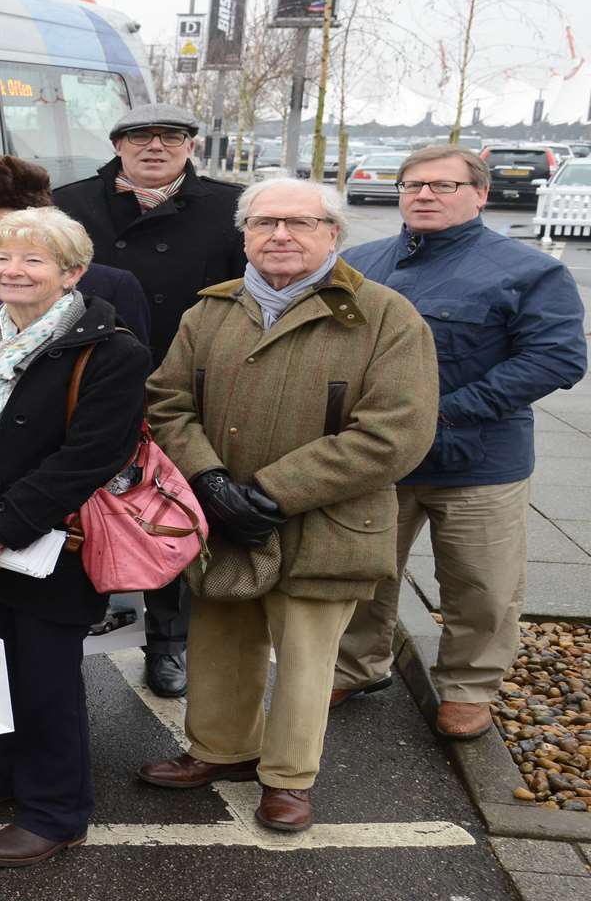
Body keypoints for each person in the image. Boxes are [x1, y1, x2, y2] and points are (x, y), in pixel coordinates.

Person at [140, 178, 438, 833]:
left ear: (334, 234)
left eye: (301, 223)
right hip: (222, 514)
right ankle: (221, 751)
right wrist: (211, 481)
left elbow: (396, 433)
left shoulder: (386, 317)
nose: (281, 236)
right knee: (220, 637)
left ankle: (289, 779)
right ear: (243, 235)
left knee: (305, 657)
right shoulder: (209, 313)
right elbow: (167, 403)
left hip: (326, 520)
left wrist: (276, 490)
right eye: (265, 222)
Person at [0, 206, 150, 867]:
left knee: (45, 681)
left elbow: (91, 457)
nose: (12, 270)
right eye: (2, 257)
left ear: (71, 272)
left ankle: (56, 811)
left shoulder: (112, 349)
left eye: (33, 259)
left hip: (51, 548)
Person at [332, 146, 587, 737]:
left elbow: (556, 358)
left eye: (442, 186)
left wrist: (441, 416)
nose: (424, 195)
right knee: (361, 574)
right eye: (412, 185)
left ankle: (468, 688)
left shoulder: (528, 270)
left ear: (480, 194)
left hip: (478, 460)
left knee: (482, 586)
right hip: (375, 458)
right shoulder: (358, 264)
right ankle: (355, 664)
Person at [52, 102, 247, 699]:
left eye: (171, 136)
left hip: (185, 376)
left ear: (191, 145)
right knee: (80, 502)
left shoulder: (229, 206)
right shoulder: (69, 202)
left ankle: (167, 642)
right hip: (86, 372)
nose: (154, 146)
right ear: (117, 144)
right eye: (139, 136)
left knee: (166, 501)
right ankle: (74, 625)